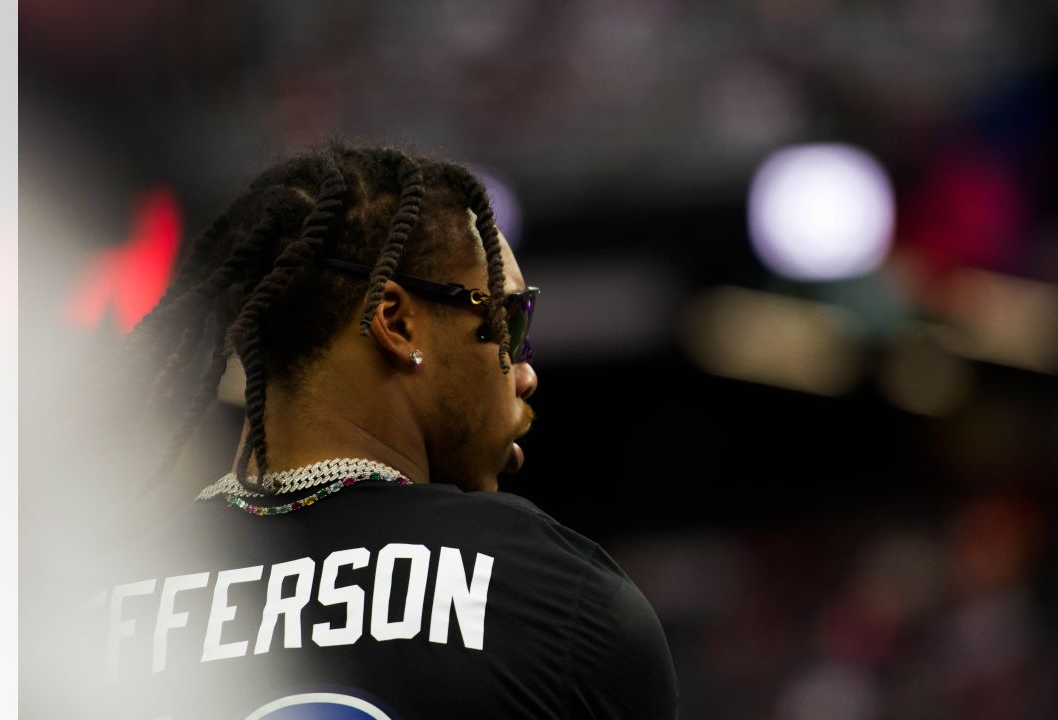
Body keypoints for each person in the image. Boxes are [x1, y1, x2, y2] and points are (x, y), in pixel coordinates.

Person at [84, 144, 679, 719]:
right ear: (396, 321)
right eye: (508, 319)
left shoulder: (84, 611)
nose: (524, 372)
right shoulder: (557, 601)